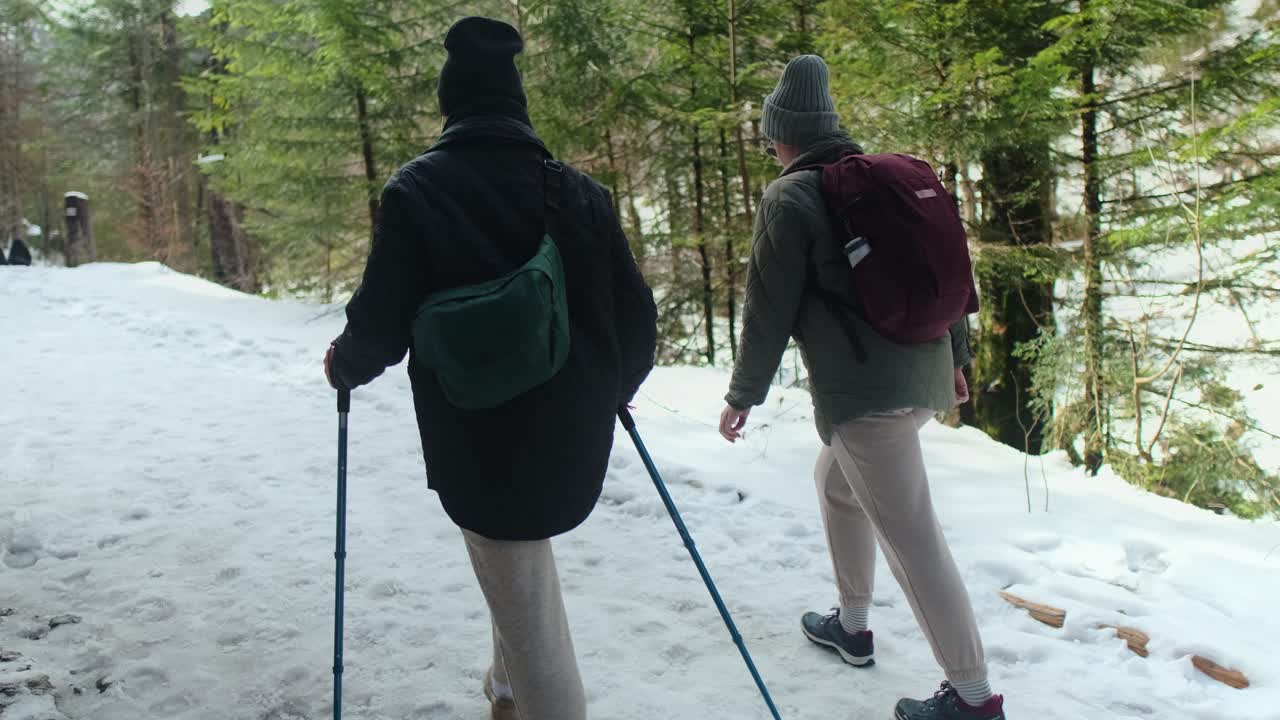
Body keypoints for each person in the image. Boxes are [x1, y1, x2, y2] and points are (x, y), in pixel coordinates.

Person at [323, 17, 657, 720]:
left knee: (524, 593)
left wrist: (344, 366)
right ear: (516, 104)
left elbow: (380, 323)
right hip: (573, 440)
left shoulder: (418, 191)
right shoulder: (581, 194)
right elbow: (638, 325)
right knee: (520, 569)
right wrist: (603, 397)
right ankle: (504, 689)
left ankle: (534, 697)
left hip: (477, 443)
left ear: (453, 104)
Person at [718, 55, 1005, 720]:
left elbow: (768, 307)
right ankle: (851, 625)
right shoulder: (891, 183)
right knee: (835, 484)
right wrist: (956, 359)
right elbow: (953, 281)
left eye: (770, 139)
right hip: (923, 379)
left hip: (865, 400)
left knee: (913, 541)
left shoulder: (790, 197)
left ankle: (973, 697)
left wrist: (742, 395)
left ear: (783, 135)